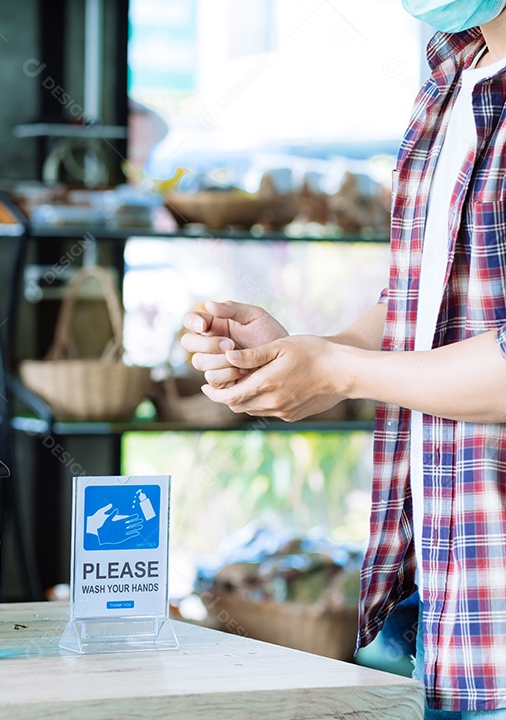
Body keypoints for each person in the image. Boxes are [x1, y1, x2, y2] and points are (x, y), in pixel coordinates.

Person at [180, 2, 506, 717]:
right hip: (445, 612)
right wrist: (303, 353)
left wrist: (338, 370)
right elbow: (419, 305)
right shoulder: (450, 79)